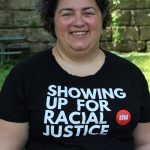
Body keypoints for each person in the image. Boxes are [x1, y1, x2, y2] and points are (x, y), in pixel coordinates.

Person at [0, 0, 150, 149]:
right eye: (67, 14)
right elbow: (7, 144)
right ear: (52, 19)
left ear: (102, 17)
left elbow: (145, 142)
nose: (78, 22)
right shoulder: (25, 75)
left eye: (88, 13)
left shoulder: (130, 75)